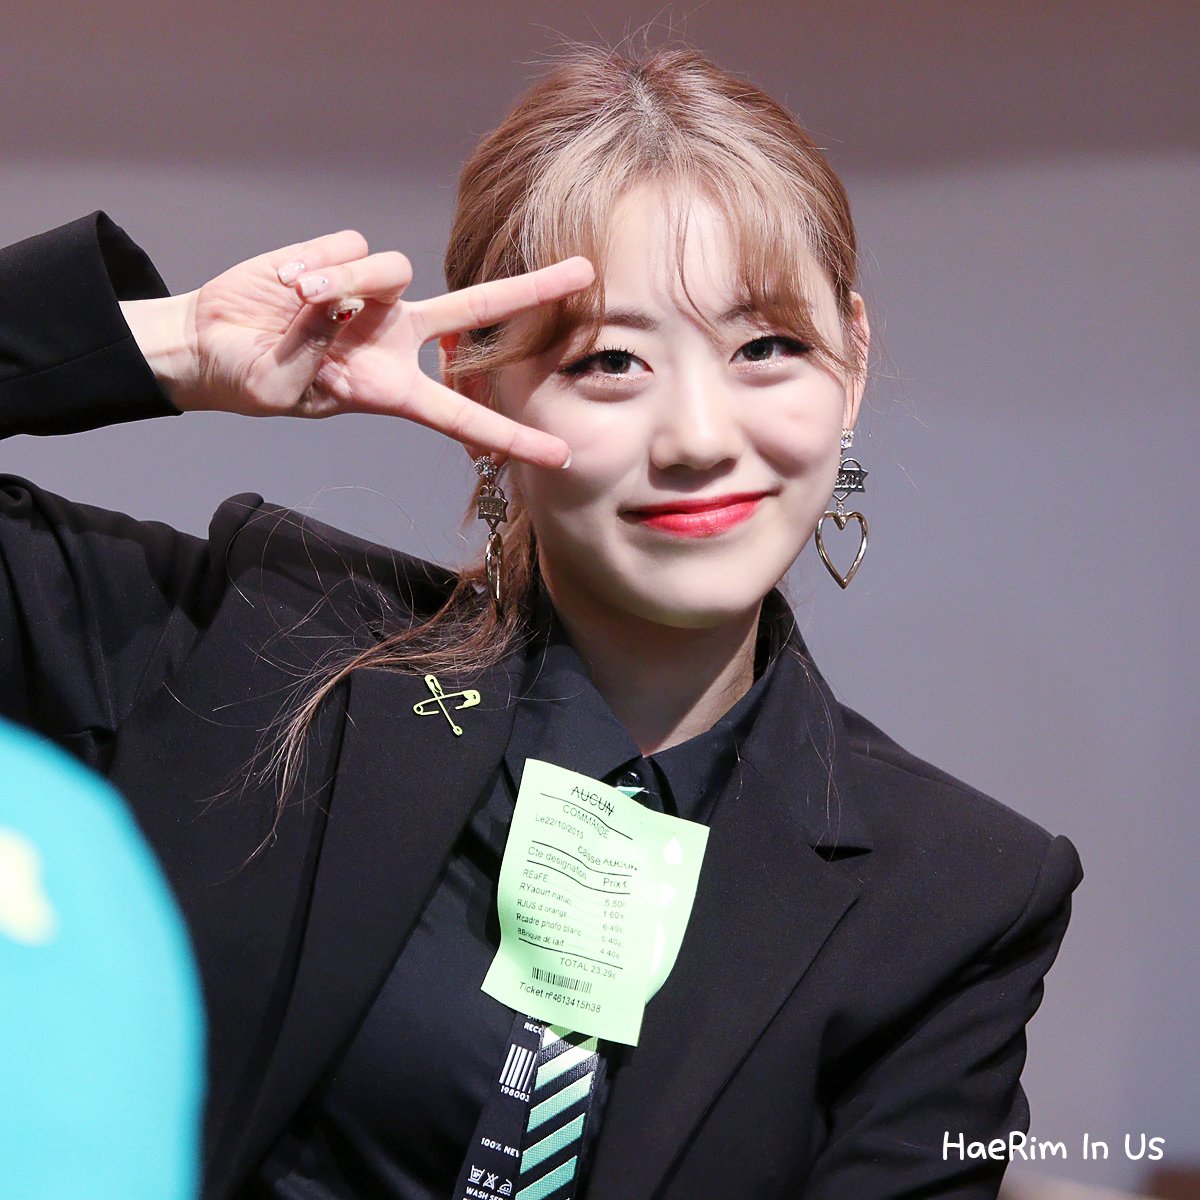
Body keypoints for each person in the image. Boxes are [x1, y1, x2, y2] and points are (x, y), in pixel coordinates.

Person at [0, 46, 1081, 1200]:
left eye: (767, 348)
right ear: (476, 392)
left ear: (851, 364)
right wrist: (175, 346)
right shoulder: (257, 643)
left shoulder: (956, 895)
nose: (699, 436)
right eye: (611, 360)